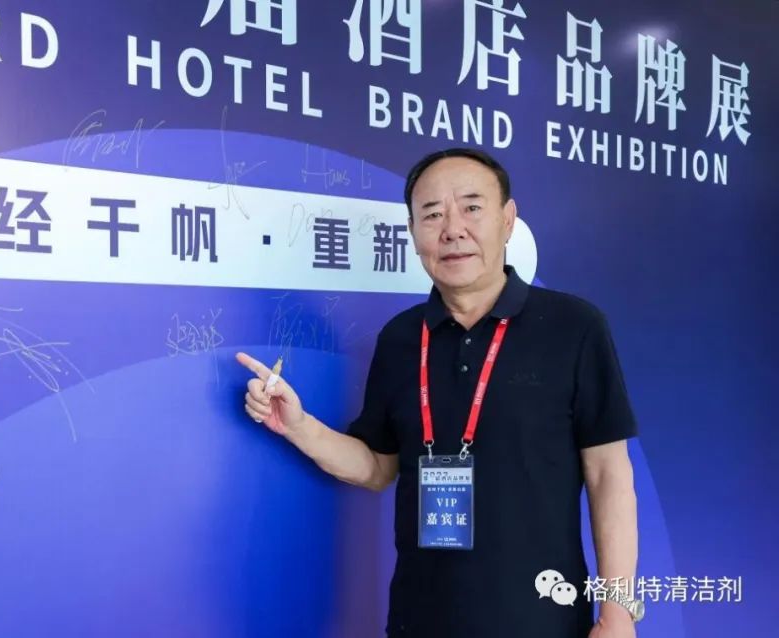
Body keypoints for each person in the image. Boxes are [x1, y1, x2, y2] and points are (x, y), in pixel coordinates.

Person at [237, 148, 642, 638]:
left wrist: (617, 613)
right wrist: (298, 426)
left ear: (508, 220)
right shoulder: (401, 338)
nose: (452, 229)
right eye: (432, 214)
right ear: (413, 232)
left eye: (471, 207)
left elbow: (608, 475)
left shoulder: (573, 326)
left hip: (543, 620)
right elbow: (377, 466)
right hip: (420, 620)